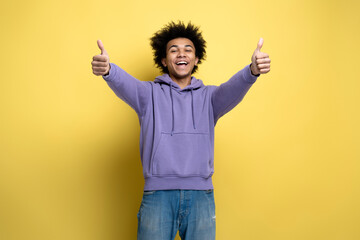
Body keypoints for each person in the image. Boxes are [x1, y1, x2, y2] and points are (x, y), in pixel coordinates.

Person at [91, 21, 270, 240]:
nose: (181, 54)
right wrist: (108, 69)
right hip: (158, 196)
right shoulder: (148, 95)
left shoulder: (210, 98)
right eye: (173, 50)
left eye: (188, 50)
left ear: (196, 59)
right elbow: (125, 83)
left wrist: (252, 71)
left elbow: (232, 88)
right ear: (164, 60)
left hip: (200, 197)